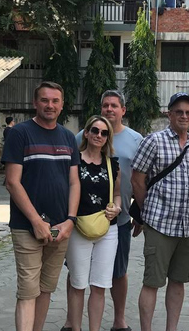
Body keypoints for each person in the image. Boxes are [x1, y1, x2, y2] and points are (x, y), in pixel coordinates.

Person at [2, 81, 81, 331]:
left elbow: (74, 182)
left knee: (46, 289)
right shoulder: (20, 134)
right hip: (27, 226)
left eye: (55, 101)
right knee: (28, 291)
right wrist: (36, 221)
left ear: (62, 105)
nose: (50, 105)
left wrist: (70, 220)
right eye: (45, 100)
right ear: (35, 103)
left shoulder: (68, 137)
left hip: (60, 228)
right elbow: (12, 182)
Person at [64, 89, 143, 331]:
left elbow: (141, 179)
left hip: (117, 220)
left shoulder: (135, 140)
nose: (109, 109)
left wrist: (137, 211)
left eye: (114, 106)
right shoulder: (81, 137)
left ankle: (119, 320)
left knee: (116, 272)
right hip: (80, 221)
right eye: (105, 105)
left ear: (123, 110)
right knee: (77, 274)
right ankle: (72, 321)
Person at [131, 92, 189, 331]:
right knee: (152, 282)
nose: (184, 116)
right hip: (159, 225)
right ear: (169, 114)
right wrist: (147, 213)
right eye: (179, 112)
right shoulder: (153, 141)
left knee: (178, 282)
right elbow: (137, 180)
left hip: (187, 227)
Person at [65, 116, 122, 331]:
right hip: (78, 226)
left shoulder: (112, 164)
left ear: (108, 138)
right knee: (78, 283)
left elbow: (117, 194)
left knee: (100, 285)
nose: (99, 136)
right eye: (95, 131)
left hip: (107, 228)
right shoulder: (74, 161)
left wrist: (116, 207)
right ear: (86, 133)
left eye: (104, 133)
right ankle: (75, 327)